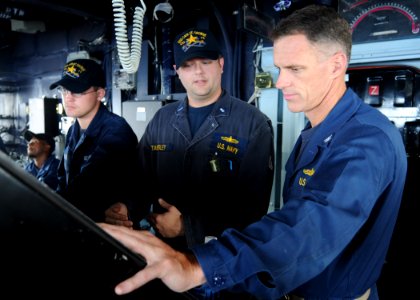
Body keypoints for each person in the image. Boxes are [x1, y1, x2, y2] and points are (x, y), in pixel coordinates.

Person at [100, 5, 407, 300]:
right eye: (280, 68)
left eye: (295, 69)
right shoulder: (320, 132)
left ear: (337, 65)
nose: (281, 81)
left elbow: (309, 227)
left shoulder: (364, 139)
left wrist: (197, 264)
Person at [105, 28, 275, 299]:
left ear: (221, 64)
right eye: (188, 65)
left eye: (206, 62)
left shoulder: (252, 124)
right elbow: (140, 179)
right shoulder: (162, 119)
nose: (198, 72)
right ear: (177, 71)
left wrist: (187, 226)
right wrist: (126, 206)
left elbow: (252, 210)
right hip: (162, 256)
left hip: (216, 265)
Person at [49, 58, 139, 222]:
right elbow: (63, 177)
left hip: (109, 231)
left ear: (100, 94)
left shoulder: (116, 131)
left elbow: (88, 188)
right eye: (64, 90)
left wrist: (46, 207)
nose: (67, 98)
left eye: (76, 91)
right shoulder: (73, 130)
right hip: (80, 222)